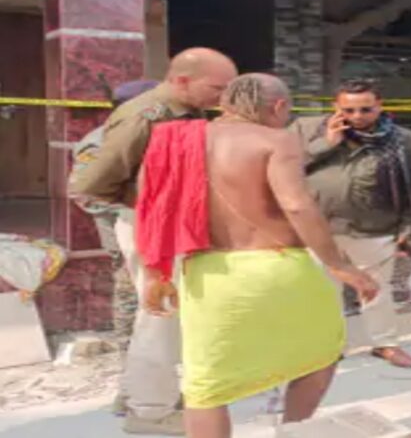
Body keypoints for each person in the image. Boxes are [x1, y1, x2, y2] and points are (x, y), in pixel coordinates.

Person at [137, 73, 378, 438]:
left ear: (225, 103)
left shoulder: (174, 139)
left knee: (206, 386)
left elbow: (153, 205)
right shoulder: (277, 140)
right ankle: (293, 431)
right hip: (277, 267)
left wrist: (155, 273)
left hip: (207, 274)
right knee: (322, 353)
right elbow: (296, 205)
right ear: (278, 106)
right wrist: (339, 264)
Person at [69, 47, 238, 435]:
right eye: (217, 88)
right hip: (153, 228)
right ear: (182, 80)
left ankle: (139, 396)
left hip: (170, 226)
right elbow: (90, 184)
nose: (222, 97)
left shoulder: (186, 111)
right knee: (160, 317)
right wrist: (147, 206)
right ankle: (150, 412)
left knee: (162, 316)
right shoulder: (147, 115)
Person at [290, 79, 411, 369]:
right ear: (335, 106)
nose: (357, 116)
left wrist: (407, 228)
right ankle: (329, 346)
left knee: (376, 289)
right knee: (323, 291)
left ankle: (385, 343)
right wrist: (326, 144)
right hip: (319, 228)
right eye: (348, 110)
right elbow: (285, 169)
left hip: (374, 227)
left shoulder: (401, 138)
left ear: (380, 106)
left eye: (366, 109)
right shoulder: (307, 129)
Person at [68, 79, 159, 351]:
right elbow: (85, 193)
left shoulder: (151, 133)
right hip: (123, 223)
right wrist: (131, 211)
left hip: (156, 224)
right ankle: (128, 345)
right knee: (128, 279)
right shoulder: (99, 142)